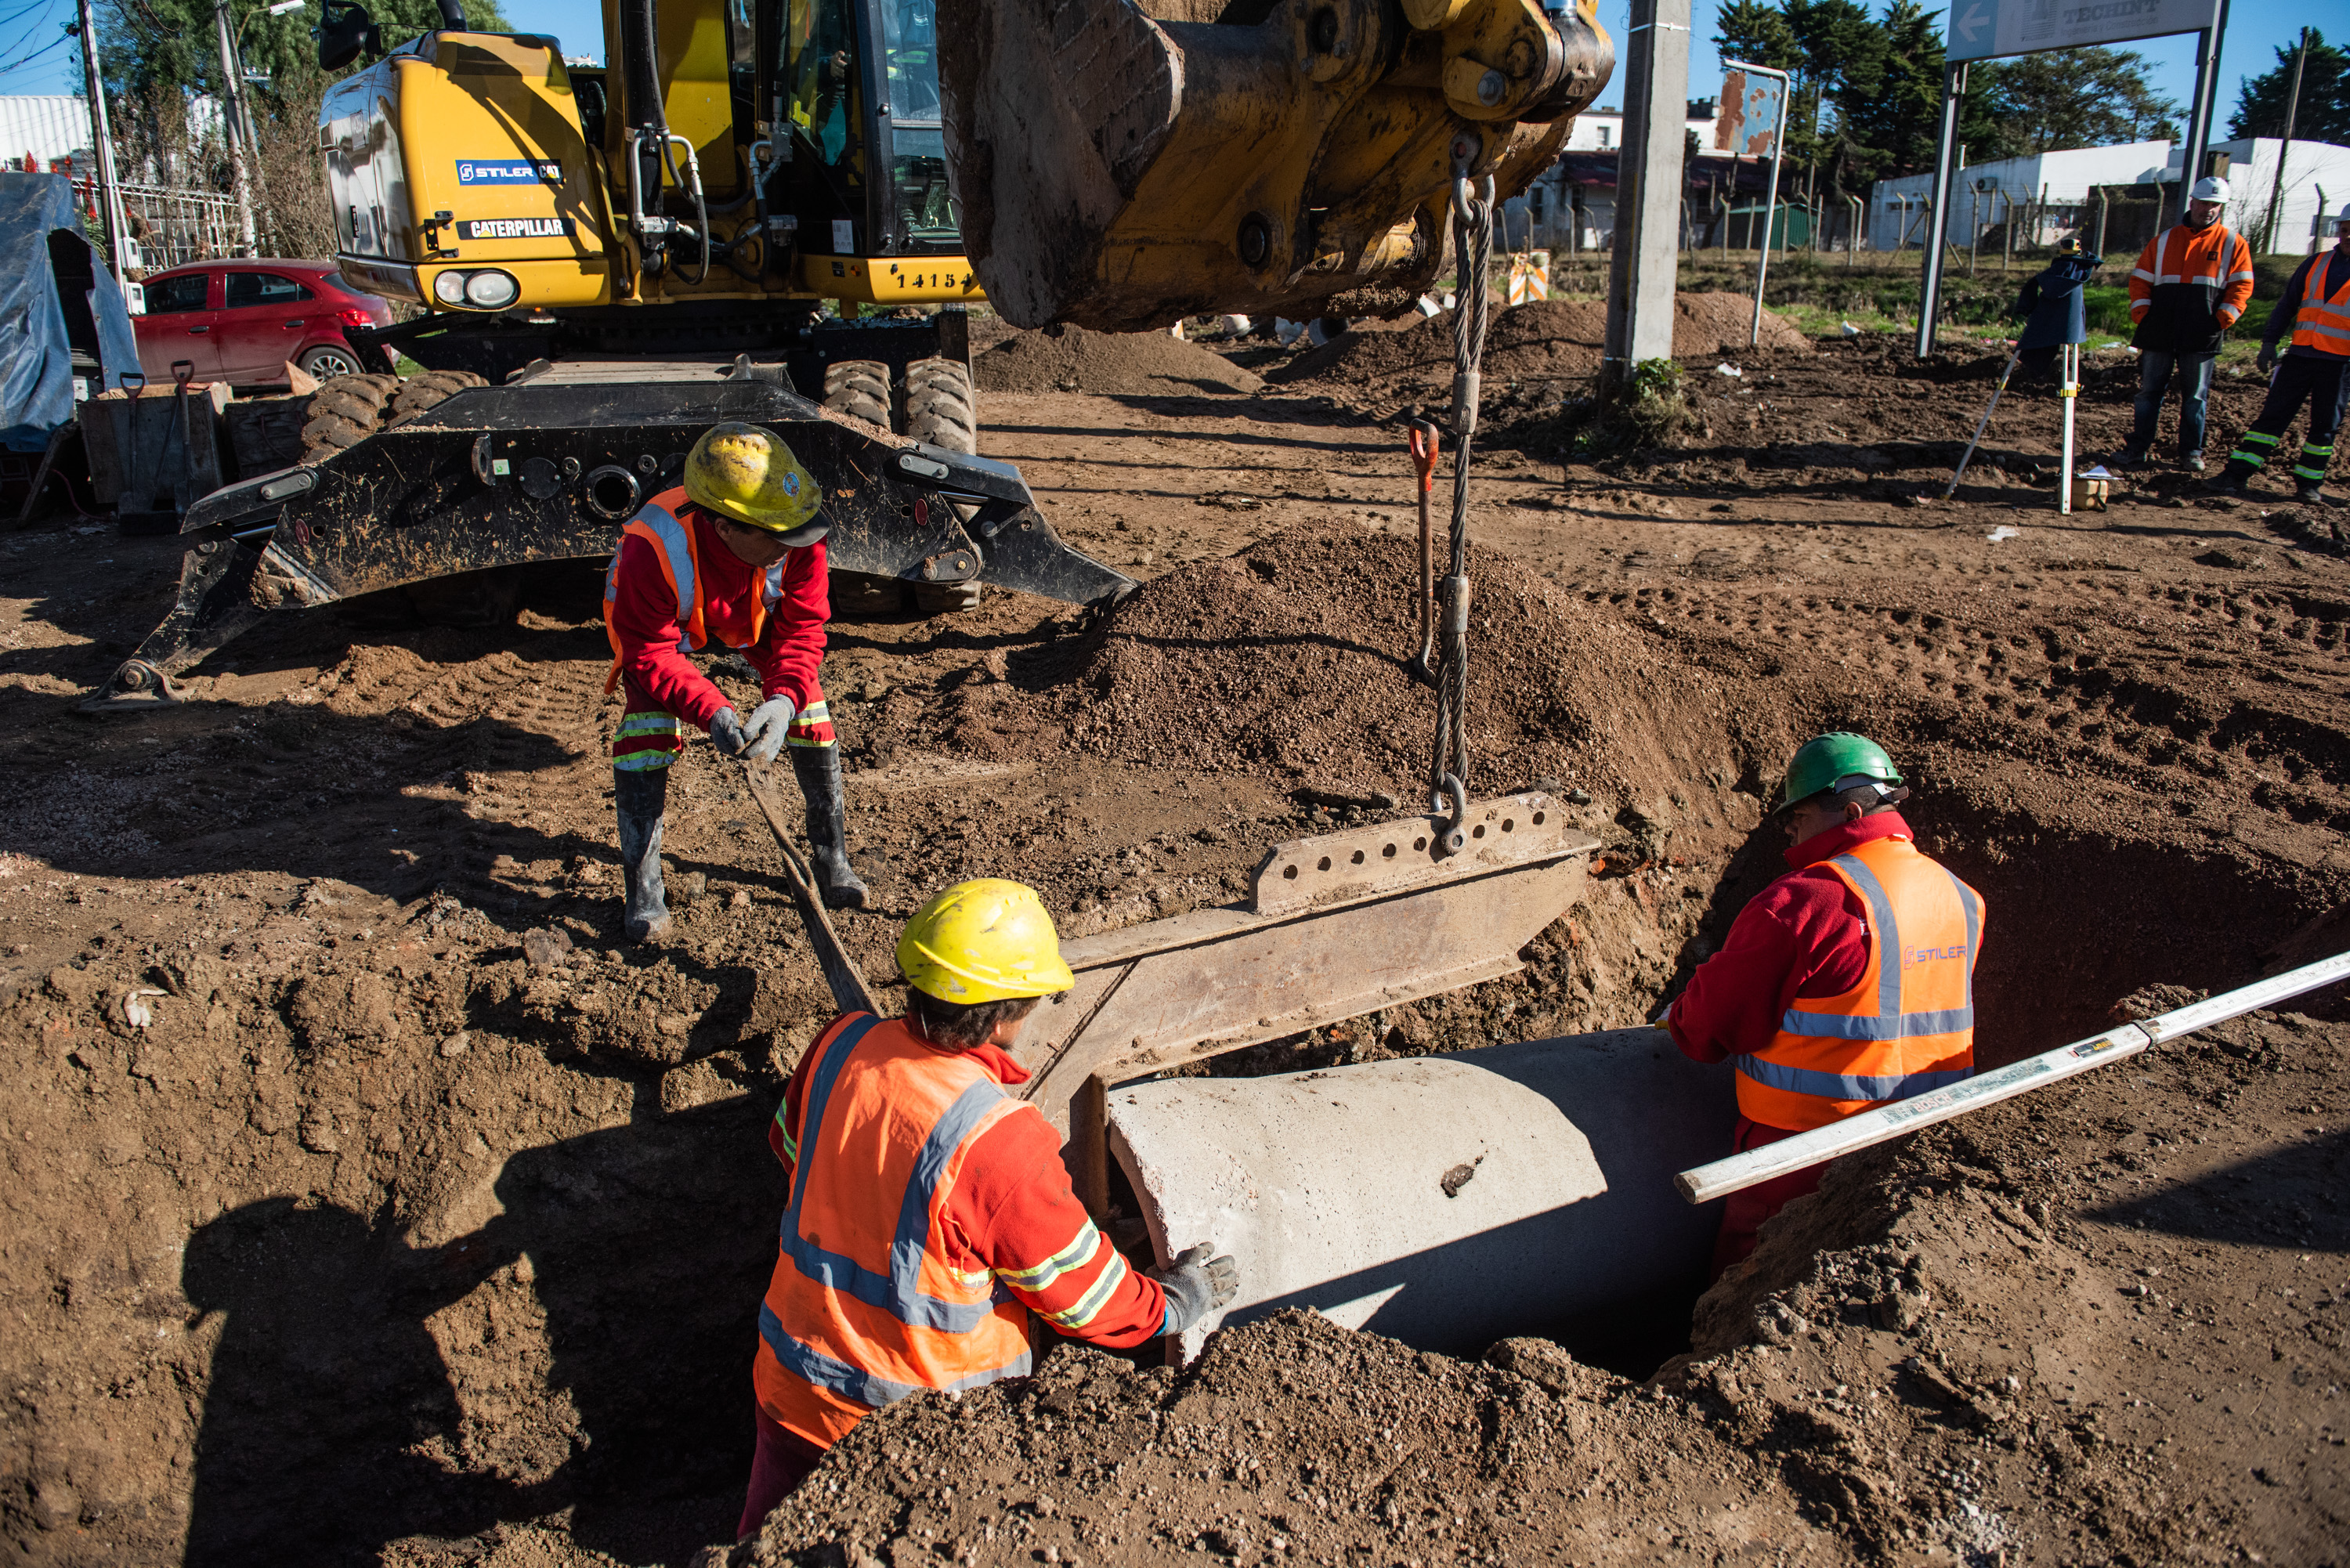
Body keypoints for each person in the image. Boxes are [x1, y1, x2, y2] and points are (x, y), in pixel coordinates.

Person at [739, 879, 1239, 1537]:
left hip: (791, 1380)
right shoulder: (995, 1139)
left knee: (760, 1544)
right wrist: (1175, 1301)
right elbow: (1084, 1299)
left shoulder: (839, 1046)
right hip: (914, 1432)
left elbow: (791, 1149)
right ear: (1006, 1018)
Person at [1662, 734, 1984, 1278]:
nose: (1788, 830)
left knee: (1747, 1298)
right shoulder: (1960, 896)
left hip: (1801, 1162)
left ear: (1851, 811)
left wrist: (1676, 1015)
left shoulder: (1804, 904)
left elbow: (1704, 1030)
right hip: (1917, 1149)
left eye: (1799, 817)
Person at [602, 421, 865, 940]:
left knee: (811, 709)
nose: (793, 547)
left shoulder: (796, 527)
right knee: (646, 728)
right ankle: (644, 889)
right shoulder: (650, 549)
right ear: (725, 527)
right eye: (778, 540)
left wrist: (785, 699)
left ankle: (832, 858)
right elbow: (650, 653)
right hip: (666, 624)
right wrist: (713, 711)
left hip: (751, 616)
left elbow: (804, 627)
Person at [2207, 200, 2350, 509]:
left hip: (2340, 363)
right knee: (2272, 416)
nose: (2349, 236)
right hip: (2301, 355)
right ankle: (2236, 474)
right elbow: (2287, 305)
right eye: (2345, 229)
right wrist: (2269, 342)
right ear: (2338, 230)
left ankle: (2309, 485)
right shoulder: (2317, 262)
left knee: (2325, 425)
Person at [2110, 176, 2256, 474]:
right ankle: (2137, 449)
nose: (2209, 209)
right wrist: (2143, 313)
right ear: (2192, 202)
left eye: (2216, 205)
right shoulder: (2164, 241)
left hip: (2202, 332)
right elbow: (2140, 280)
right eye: (2204, 203)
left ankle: (2191, 452)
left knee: (2195, 397)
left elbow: (2242, 286)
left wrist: (2223, 319)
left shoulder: (2233, 243)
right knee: (2149, 393)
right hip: (2160, 329)